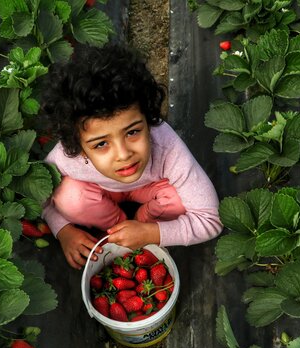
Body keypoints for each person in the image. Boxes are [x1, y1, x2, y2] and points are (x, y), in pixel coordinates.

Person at [40, 43, 222, 269]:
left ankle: (140, 221)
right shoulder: (66, 157)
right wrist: (63, 230)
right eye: (101, 144)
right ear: (77, 145)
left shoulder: (167, 147)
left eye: (133, 132)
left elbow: (211, 220)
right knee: (68, 197)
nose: (124, 155)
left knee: (178, 201)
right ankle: (119, 226)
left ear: (148, 118)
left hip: (151, 189)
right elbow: (41, 198)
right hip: (98, 194)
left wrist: (151, 232)